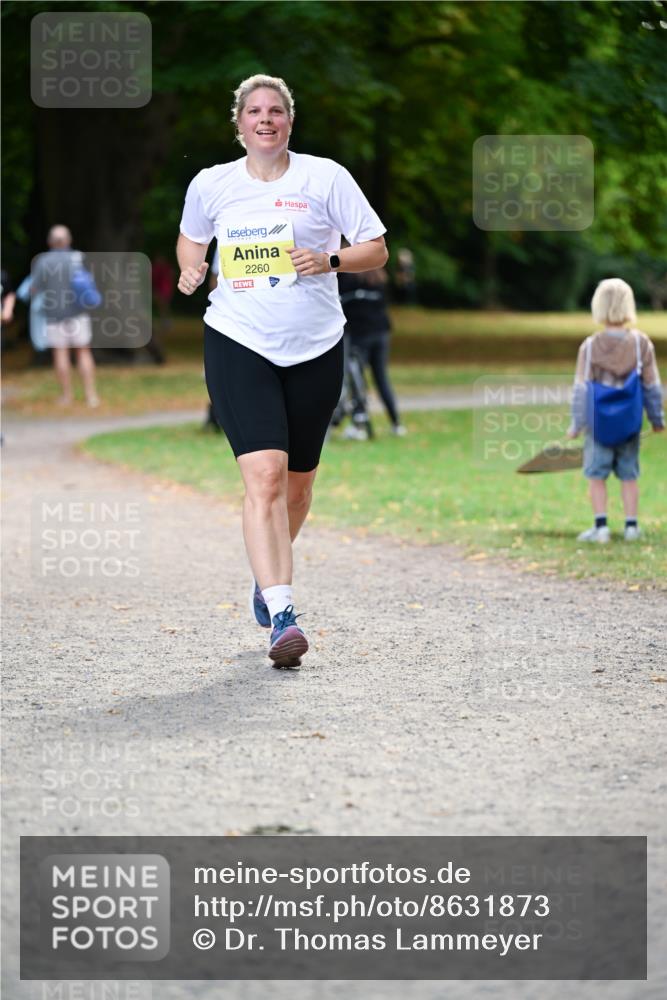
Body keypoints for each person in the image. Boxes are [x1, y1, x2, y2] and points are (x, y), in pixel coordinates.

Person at [177, 74, 387, 667]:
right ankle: (283, 613)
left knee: (298, 487)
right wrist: (192, 271)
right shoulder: (211, 183)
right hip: (238, 339)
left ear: (289, 122)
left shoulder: (325, 177)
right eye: (253, 111)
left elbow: (376, 247)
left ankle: (267, 575)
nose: (264, 120)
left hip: (316, 345)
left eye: (275, 111)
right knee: (264, 478)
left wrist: (331, 259)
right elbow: (191, 242)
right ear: (238, 124)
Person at [567, 277, 664, 542]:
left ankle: (601, 528)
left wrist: (576, 424)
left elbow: (581, 389)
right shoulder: (640, 343)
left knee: (596, 475)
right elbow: (653, 386)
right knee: (629, 475)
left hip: (598, 425)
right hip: (630, 424)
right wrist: (657, 419)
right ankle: (632, 527)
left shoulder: (589, 347)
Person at [31, 225, 100, 407]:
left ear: (50, 242)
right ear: (68, 240)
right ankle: (91, 396)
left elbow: (34, 288)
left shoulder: (43, 261)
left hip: (55, 315)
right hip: (79, 313)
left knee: (61, 353)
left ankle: (67, 396)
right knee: (83, 352)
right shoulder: (78, 258)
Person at [338, 268, 405, 437]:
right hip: (381, 332)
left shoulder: (346, 276)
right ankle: (396, 422)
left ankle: (359, 423)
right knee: (381, 378)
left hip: (360, 334)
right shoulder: (378, 276)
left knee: (357, 379)